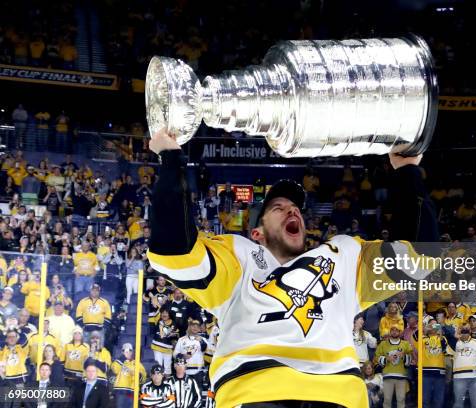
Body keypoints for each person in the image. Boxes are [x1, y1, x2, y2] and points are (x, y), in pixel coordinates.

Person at [146, 129, 437, 407]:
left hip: (336, 395)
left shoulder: (342, 257)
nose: (293, 210)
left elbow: (419, 258)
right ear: (257, 233)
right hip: (255, 391)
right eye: (278, 207)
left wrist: (408, 170)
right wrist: (171, 161)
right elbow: (174, 248)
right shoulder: (239, 257)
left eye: (296, 208)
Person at [447, 323, 476, 408]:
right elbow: (449, 352)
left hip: (474, 377)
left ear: (470, 331)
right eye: (463, 330)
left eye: (467, 330)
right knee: (458, 404)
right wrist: (455, 337)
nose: (465, 332)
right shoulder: (455, 342)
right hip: (459, 377)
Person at [374, 324, 412, 408]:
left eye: (396, 330)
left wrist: (404, 356)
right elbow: (377, 358)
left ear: (399, 332)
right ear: (390, 332)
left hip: (401, 376)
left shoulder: (405, 344)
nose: (394, 332)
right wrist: (386, 359)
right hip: (387, 375)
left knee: (401, 399)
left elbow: (410, 361)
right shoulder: (383, 344)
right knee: (387, 399)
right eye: (392, 330)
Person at [111, 343, 146, 408]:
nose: (127, 353)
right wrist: (123, 357)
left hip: (132, 391)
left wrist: (137, 375)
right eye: (125, 351)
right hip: (120, 391)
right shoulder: (119, 362)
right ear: (122, 352)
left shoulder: (137, 364)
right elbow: (114, 369)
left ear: (133, 352)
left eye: (130, 350)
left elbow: (143, 378)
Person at [152, 308, 179, 375]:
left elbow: (176, 335)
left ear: (169, 314)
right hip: (157, 347)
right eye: (163, 313)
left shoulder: (174, 323)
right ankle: (158, 381)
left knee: (167, 368)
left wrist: (173, 335)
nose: (164, 314)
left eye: (166, 313)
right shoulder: (158, 320)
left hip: (168, 349)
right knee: (158, 366)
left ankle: (167, 382)